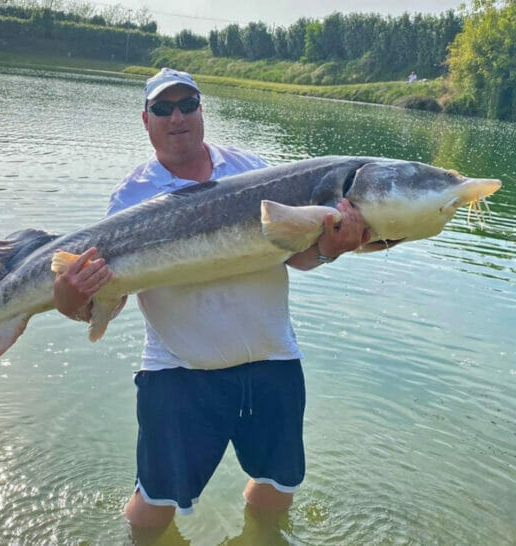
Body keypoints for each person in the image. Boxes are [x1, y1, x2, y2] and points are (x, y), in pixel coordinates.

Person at [53, 68, 369, 529]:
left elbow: (296, 255)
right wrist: (69, 299)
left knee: (276, 489)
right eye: (163, 108)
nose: (177, 117)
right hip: (179, 372)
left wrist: (329, 249)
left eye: (187, 105)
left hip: (271, 360)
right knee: (153, 510)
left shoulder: (252, 170)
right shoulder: (131, 196)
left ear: (202, 111)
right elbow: (108, 299)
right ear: (146, 119)